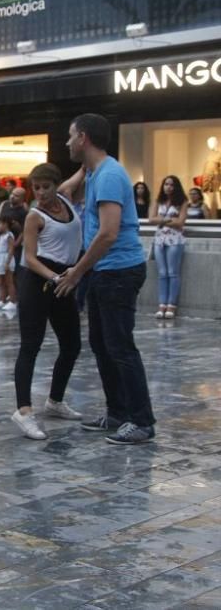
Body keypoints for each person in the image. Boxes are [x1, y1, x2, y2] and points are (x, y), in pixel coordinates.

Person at [55, 113, 156, 445]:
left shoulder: (110, 175)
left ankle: (141, 420)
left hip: (118, 271)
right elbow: (71, 183)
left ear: (83, 138)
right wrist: (77, 175)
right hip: (103, 271)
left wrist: (78, 271)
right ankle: (117, 413)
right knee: (102, 345)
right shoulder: (96, 170)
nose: (67, 142)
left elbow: (108, 233)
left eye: (71, 136)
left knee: (120, 347)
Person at [11, 163, 83, 440]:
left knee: (72, 344)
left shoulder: (65, 197)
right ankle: (24, 411)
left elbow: (83, 172)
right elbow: (29, 257)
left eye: (45, 187)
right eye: (36, 188)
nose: (40, 193)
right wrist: (56, 278)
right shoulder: (34, 216)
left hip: (63, 279)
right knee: (31, 345)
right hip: (39, 280)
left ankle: (54, 401)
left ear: (56, 185)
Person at [149, 175, 188, 319]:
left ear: (176, 186)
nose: (168, 187)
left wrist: (162, 221)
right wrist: (169, 220)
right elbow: (151, 219)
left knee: (173, 272)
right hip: (160, 239)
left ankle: (171, 305)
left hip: (175, 240)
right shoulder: (158, 201)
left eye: (171, 185)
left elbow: (180, 222)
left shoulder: (182, 202)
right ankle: (162, 304)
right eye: (166, 184)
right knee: (162, 273)